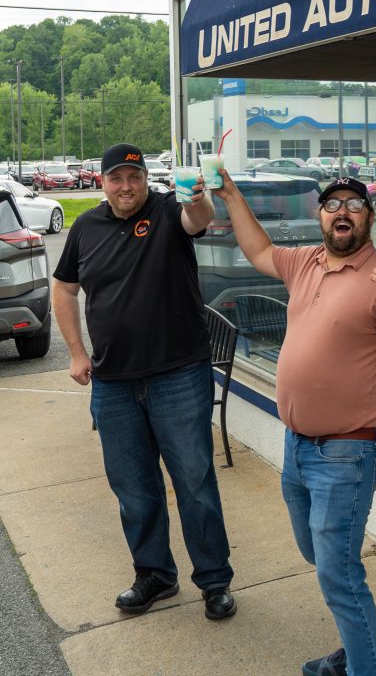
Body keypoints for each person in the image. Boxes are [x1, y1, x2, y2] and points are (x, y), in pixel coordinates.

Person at [214, 171, 376, 676]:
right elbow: (259, 251)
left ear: (368, 217)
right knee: (322, 556)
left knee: (338, 572)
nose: (342, 212)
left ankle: (364, 667)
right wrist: (230, 196)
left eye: (354, 204)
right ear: (320, 215)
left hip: (347, 453)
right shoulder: (307, 262)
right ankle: (358, 651)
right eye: (332, 204)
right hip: (298, 447)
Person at [52, 143, 236, 621]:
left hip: (179, 374)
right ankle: (155, 574)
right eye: (117, 178)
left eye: (134, 176)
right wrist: (75, 352)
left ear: (146, 178)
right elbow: (64, 288)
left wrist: (197, 195)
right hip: (113, 382)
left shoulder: (168, 209)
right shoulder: (85, 227)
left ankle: (214, 581)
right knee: (133, 488)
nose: (126, 186)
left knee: (194, 483)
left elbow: (198, 217)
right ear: (102, 182)